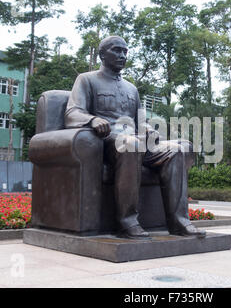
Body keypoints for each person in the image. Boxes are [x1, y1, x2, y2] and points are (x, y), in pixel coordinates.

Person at [65, 36, 206, 239]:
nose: (122, 55)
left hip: (137, 140)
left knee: (179, 149)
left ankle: (179, 222)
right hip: (108, 142)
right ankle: (127, 222)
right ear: (102, 54)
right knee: (131, 145)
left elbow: (140, 120)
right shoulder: (87, 80)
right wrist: (93, 120)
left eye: (125, 51)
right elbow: (72, 113)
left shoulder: (131, 88)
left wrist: (148, 128)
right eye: (116, 50)